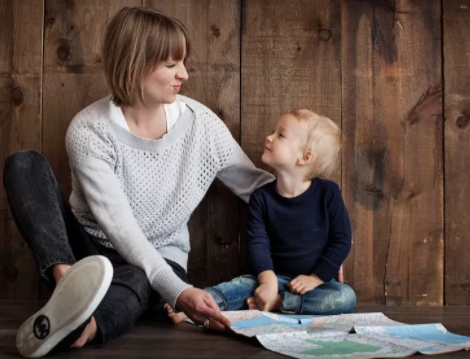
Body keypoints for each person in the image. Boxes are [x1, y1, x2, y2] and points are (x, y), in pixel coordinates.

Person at [2, 6, 274, 357]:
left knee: (138, 277)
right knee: (24, 163)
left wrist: (319, 227)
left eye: (183, 62)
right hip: (86, 252)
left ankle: (83, 327)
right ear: (136, 63)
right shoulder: (89, 130)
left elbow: (256, 187)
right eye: (172, 64)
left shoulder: (201, 125)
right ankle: (68, 286)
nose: (185, 75)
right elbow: (121, 227)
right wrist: (179, 293)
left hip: (158, 259)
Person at [166, 109, 355, 325]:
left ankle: (279, 303)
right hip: (272, 277)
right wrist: (267, 280)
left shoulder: (328, 193)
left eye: (280, 135)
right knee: (239, 286)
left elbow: (341, 240)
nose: (269, 137)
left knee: (345, 297)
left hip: (315, 285)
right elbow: (258, 243)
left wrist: (316, 278)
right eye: (273, 132)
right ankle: (193, 308)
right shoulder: (262, 197)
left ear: (305, 157)